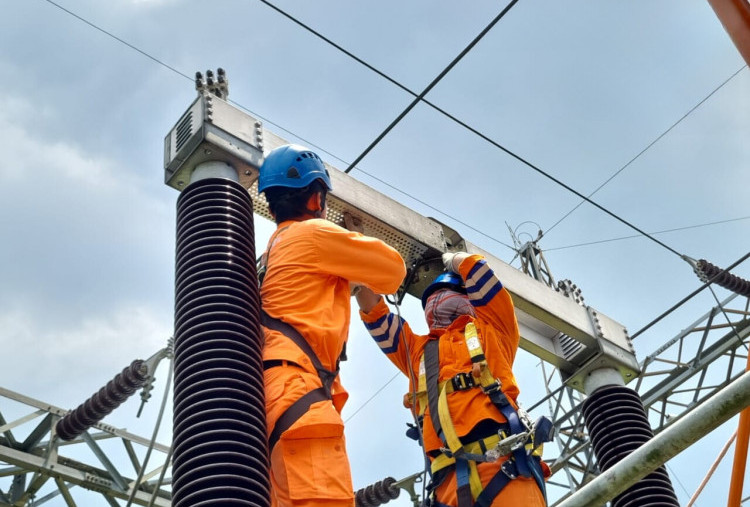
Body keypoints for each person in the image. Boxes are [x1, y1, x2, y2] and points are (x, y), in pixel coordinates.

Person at [257, 144, 406, 507]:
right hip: (300, 397)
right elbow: (394, 270)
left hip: (271, 401)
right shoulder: (312, 235)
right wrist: (354, 247)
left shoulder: (270, 254)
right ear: (316, 197)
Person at [356, 251, 550, 507]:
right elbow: (376, 317)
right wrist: (357, 267)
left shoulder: (493, 330)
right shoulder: (419, 351)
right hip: (448, 482)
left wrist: (457, 258)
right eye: (433, 299)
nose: (438, 303)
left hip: (507, 465)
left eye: (446, 293)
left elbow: (485, 281)